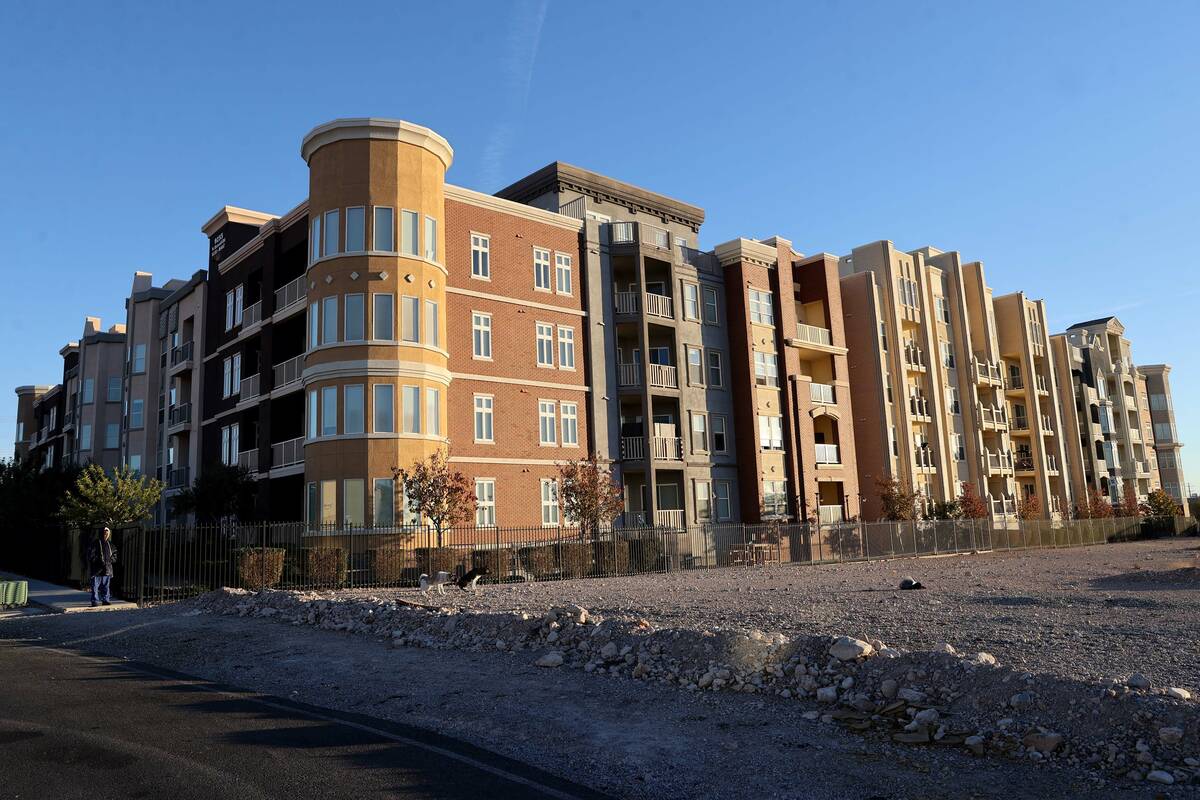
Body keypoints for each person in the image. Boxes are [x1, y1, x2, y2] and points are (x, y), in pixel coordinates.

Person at [87, 527, 118, 607]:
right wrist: (98, 561)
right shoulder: (95, 543)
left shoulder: (111, 544)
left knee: (106, 586)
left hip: (107, 569)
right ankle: (95, 601)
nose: (105, 533)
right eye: (104, 531)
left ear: (109, 533)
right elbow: (91, 555)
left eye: (107, 532)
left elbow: (114, 556)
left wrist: (109, 561)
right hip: (97, 569)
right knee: (95, 586)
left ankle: (105, 600)